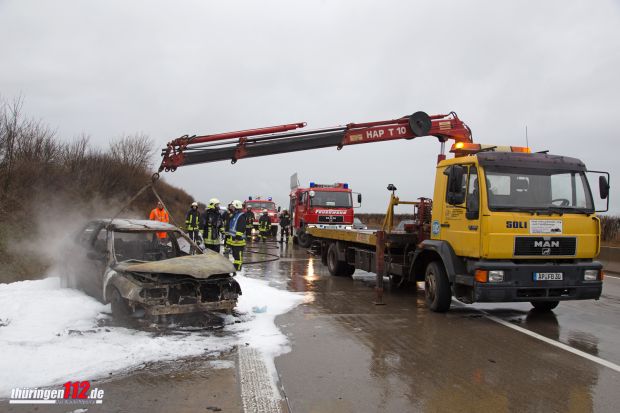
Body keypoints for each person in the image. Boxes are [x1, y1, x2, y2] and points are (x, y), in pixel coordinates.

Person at [226, 200, 247, 271]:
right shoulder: (234, 215)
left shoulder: (240, 216)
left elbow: (241, 228)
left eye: (233, 207)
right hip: (233, 239)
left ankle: (238, 269)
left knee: (238, 255)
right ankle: (236, 267)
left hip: (239, 240)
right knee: (235, 255)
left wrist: (237, 237)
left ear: (237, 207)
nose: (231, 208)